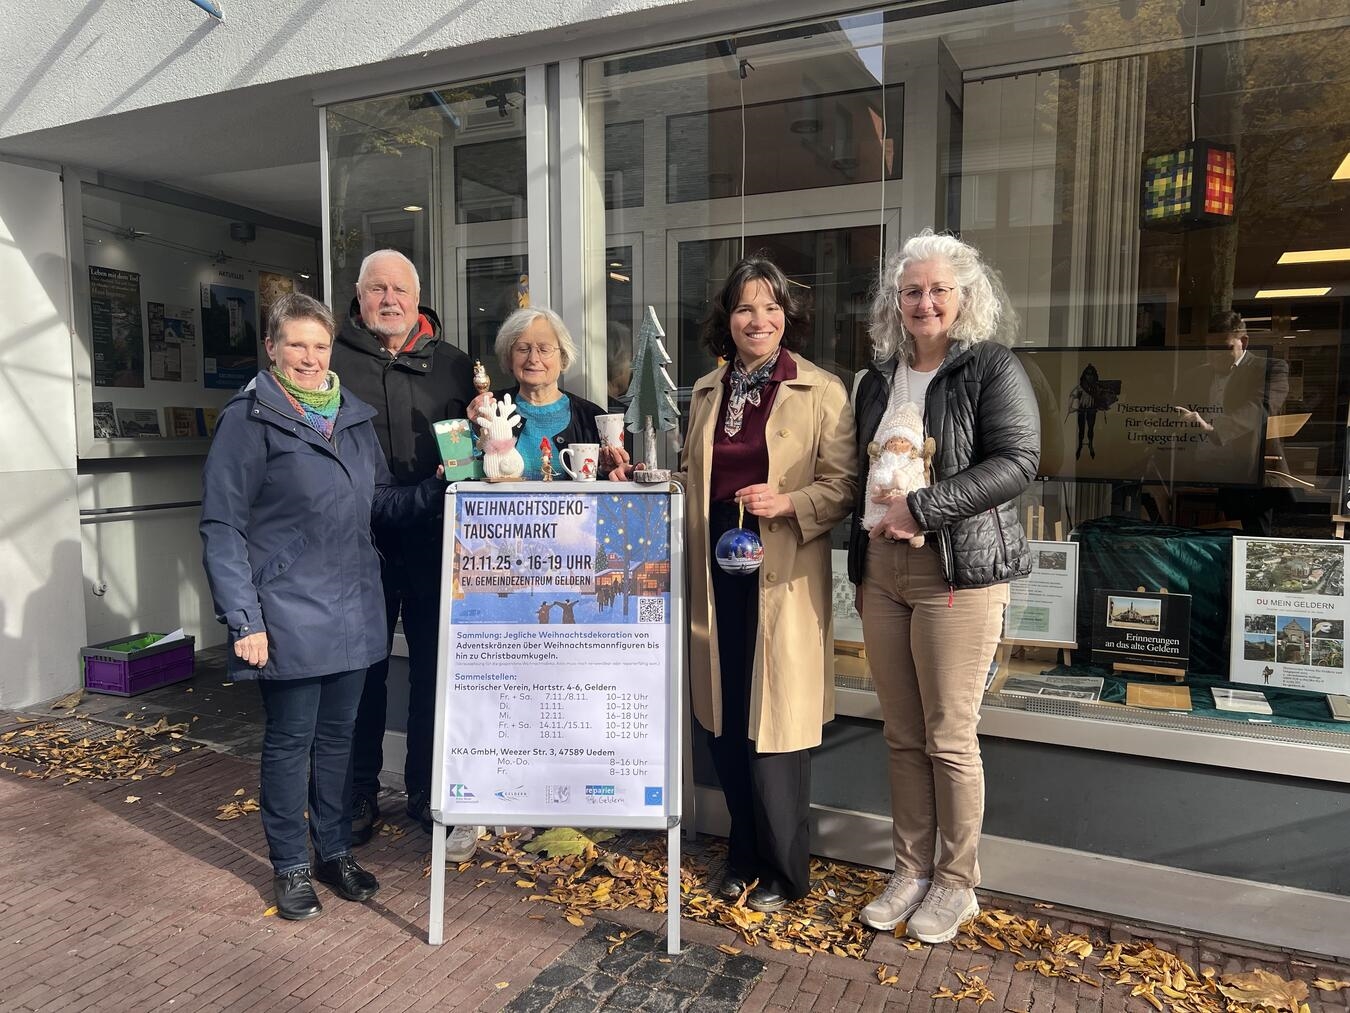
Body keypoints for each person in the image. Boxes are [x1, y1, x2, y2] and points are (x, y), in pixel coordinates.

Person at [616, 255, 856, 913]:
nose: (759, 319)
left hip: (780, 568)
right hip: (716, 564)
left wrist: (790, 502)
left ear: (788, 317)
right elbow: (696, 480)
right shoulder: (705, 391)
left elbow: (844, 487)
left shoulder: (821, 390)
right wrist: (648, 479)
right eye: (746, 307)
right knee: (724, 716)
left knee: (773, 721)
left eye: (771, 307)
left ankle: (783, 869)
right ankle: (742, 852)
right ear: (728, 318)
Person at [200, 293, 444, 920]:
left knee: (338, 742)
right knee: (291, 743)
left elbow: (380, 503)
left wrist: (444, 487)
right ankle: (291, 865)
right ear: (273, 349)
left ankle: (334, 852)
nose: (309, 357)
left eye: (319, 345)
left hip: (355, 606)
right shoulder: (249, 420)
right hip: (284, 612)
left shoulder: (352, 418)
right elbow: (222, 526)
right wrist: (243, 618)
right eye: (297, 345)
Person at [850, 230, 1039, 944]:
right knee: (901, 734)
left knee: (950, 736)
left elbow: (1019, 459)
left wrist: (922, 508)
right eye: (911, 290)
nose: (924, 302)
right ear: (894, 302)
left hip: (955, 574)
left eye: (938, 290)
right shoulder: (878, 380)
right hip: (882, 572)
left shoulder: (990, 367)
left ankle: (957, 883)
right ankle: (910, 870)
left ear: (964, 297)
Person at [331, 250, 480, 859]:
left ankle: (425, 791)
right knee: (361, 672)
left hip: (435, 543)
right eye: (376, 290)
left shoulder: (456, 366)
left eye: (399, 290)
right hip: (357, 545)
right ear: (359, 298)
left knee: (432, 673)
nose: (388, 300)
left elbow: (480, 446)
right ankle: (358, 793)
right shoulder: (332, 362)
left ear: (418, 298)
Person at [468, 306, 622, 479]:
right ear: (509, 358)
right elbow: (465, 480)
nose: (533, 359)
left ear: (562, 357)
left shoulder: (590, 418)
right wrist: (473, 429)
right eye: (523, 349)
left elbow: (609, 489)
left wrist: (610, 472)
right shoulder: (490, 410)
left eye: (544, 349)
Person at [1174, 311, 1290, 533]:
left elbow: (1260, 408)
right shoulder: (1194, 376)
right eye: (1211, 349)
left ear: (1243, 342)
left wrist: (1212, 428)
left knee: (1250, 545)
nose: (1215, 356)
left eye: (1224, 349)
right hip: (1197, 477)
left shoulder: (1271, 368)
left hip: (1245, 480)